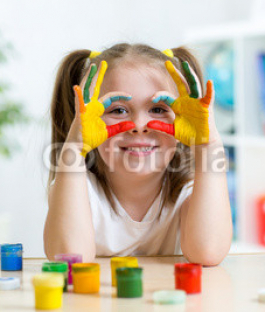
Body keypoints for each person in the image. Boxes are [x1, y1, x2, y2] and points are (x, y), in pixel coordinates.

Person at [44, 43, 233, 265]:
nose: (139, 125)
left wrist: (208, 145)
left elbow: (208, 253)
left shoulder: (191, 191)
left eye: (159, 109)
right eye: (118, 110)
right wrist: (74, 150)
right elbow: (69, 259)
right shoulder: (77, 187)